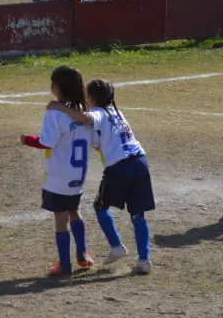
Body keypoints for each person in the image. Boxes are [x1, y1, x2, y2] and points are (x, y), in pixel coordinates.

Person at [48, 79, 155, 275]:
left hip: (120, 166)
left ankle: (116, 245)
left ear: (91, 98)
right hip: (140, 161)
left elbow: (86, 119)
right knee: (138, 214)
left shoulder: (99, 113)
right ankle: (144, 259)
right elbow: (100, 141)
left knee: (100, 206)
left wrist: (60, 107)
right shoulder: (117, 113)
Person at [19, 65, 95, 277]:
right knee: (74, 211)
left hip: (59, 175)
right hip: (78, 176)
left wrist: (27, 140)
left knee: (60, 218)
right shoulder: (84, 113)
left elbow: (46, 143)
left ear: (57, 87)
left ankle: (65, 265)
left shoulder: (55, 113)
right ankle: (82, 254)